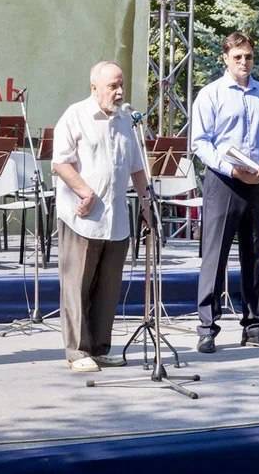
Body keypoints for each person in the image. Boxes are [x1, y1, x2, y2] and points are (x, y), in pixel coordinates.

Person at [52, 61, 152, 372]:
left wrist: (147, 205)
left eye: (121, 85)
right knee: (77, 286)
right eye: (113, 86)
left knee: (108, 289)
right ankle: (78, 351)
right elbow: (60, 163)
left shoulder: (126, 121)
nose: (119, 91)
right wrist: (85, 192)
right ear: (94, 87)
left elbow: (137, 167)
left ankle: (100, 348)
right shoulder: (75, 115)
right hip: (82, 218)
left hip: (116, 219)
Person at [191, 32, 259, 354]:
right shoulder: (211, 94)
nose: (244, 62)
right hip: (224, 182)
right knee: (215, 257)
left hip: (257, 182)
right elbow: (200, 142)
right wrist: (230, 169)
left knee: (255, 256)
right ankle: (207, 328)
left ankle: (255, 326)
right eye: (237, 57)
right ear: (226, 59)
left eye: (248, 57)